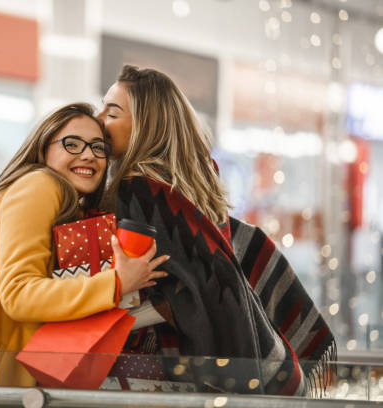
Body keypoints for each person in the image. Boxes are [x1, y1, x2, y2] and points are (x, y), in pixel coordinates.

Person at [0, 102, 168, 398]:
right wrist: (117, 283)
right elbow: (19, 293)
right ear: (43, 148)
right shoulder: (39, 185)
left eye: (98, 147)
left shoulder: (61, 199)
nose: (88, 154)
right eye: (72, 144)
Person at [97, 65, 335, 396]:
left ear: (145, 126)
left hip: (165, 375)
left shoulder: (139, 191)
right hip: (211, 375)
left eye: (112, 113)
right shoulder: (191, 186)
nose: (99, 120)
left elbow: (182, 293)